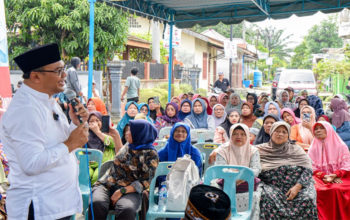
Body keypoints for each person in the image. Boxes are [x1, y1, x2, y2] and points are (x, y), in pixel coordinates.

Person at [0, 43, 89, 219]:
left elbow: (61, 143)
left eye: (63, 69)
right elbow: (31, 164)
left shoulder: (48, 101)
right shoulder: (25, 109)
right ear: (35, 76)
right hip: (39, 208)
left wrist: (74, 124)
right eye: (58, 71)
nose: (64, 75)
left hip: (57, 205)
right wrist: (70, 143)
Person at [88, 120, 159, 220]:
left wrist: (121, 191)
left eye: (130, 130)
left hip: (130, 190)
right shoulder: (129, 145)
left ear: (139, 133)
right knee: (96, 203)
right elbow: (120, 156)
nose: (127, 132)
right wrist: (116, 135)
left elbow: (144, 182)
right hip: (107, 184)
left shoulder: (151, 155)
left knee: (126, 209)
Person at [256, 121, 318, 219]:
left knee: (308, 198)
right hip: (272, 187)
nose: (280, 134)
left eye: (284, 132)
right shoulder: (260, 149)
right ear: (271, 132)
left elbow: (308, 169)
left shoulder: (296, 149)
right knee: (266, 199)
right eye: (277, 131)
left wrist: (297, 187)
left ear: (288, 135)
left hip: (298, 187)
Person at [215, 123, 261, 219]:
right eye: (235, 133)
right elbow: (220, 168)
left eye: (243, 134)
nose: (238, 136)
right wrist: (233, 178)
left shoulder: (253, 150)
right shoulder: (222, 150)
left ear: (247, 136)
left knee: (256, 196)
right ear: (231, 135)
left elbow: (256, 169)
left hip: (245, 183)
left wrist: (242, 178)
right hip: (225, 182)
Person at [308, 121, 350, 220]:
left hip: (341, 177)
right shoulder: (313, 148)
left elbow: (347, 164)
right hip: (320, 177)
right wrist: (324, 176)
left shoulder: (341, 146)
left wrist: (334, 175)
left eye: (321, 128)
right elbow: (310, 166)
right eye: (316, 129)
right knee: (317, 189)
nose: (318, 131)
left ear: (329, 129)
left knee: (337, 189)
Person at [87, 111, 116, 184]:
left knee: (96, 176)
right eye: (91, 121)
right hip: (89, 163)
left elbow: (112, 143)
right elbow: (81, 151)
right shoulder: (85, 135)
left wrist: (97, 131)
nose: (95, 123)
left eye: (97, 120)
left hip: (103, 163)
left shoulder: (107, 133)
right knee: (87, 175)